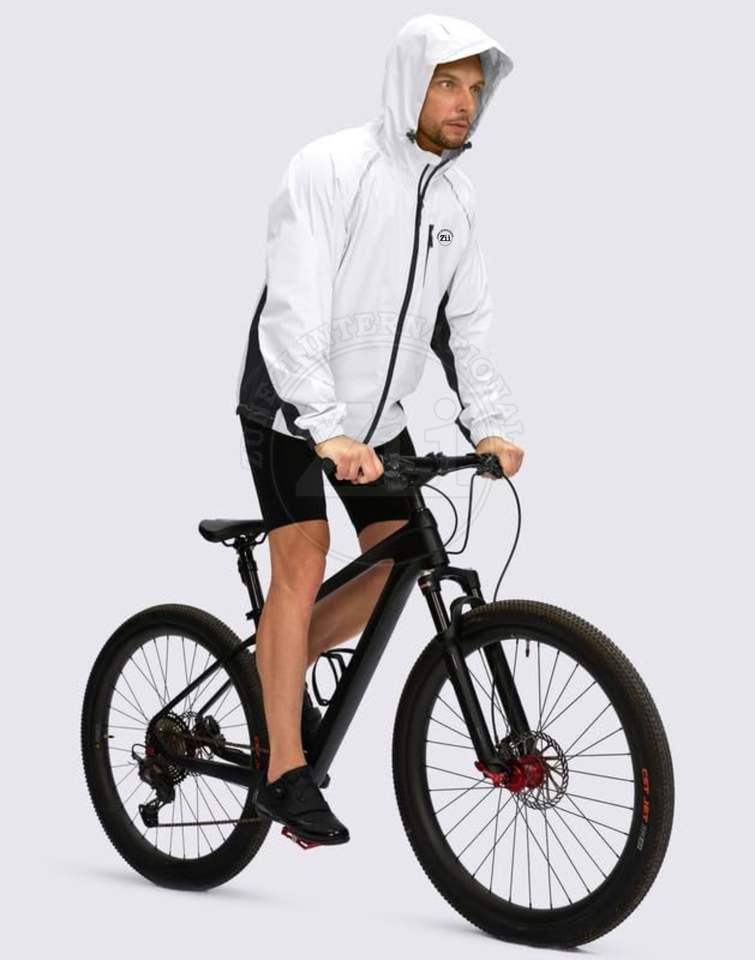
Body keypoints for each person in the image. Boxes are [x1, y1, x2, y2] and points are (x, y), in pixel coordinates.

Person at [236, 14, 525, 846]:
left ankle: (271, 667)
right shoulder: (331, 166)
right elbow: (293, 306)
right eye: (446, 83)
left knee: (401, 555)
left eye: (474, 88)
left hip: (378, 419)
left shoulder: (456, 198)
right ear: (409, 82)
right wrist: (324, 428)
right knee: (304, 561)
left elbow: (464, 326)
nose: (463, 102)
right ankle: (284, 772)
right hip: (291, 410)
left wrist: (491, 423)